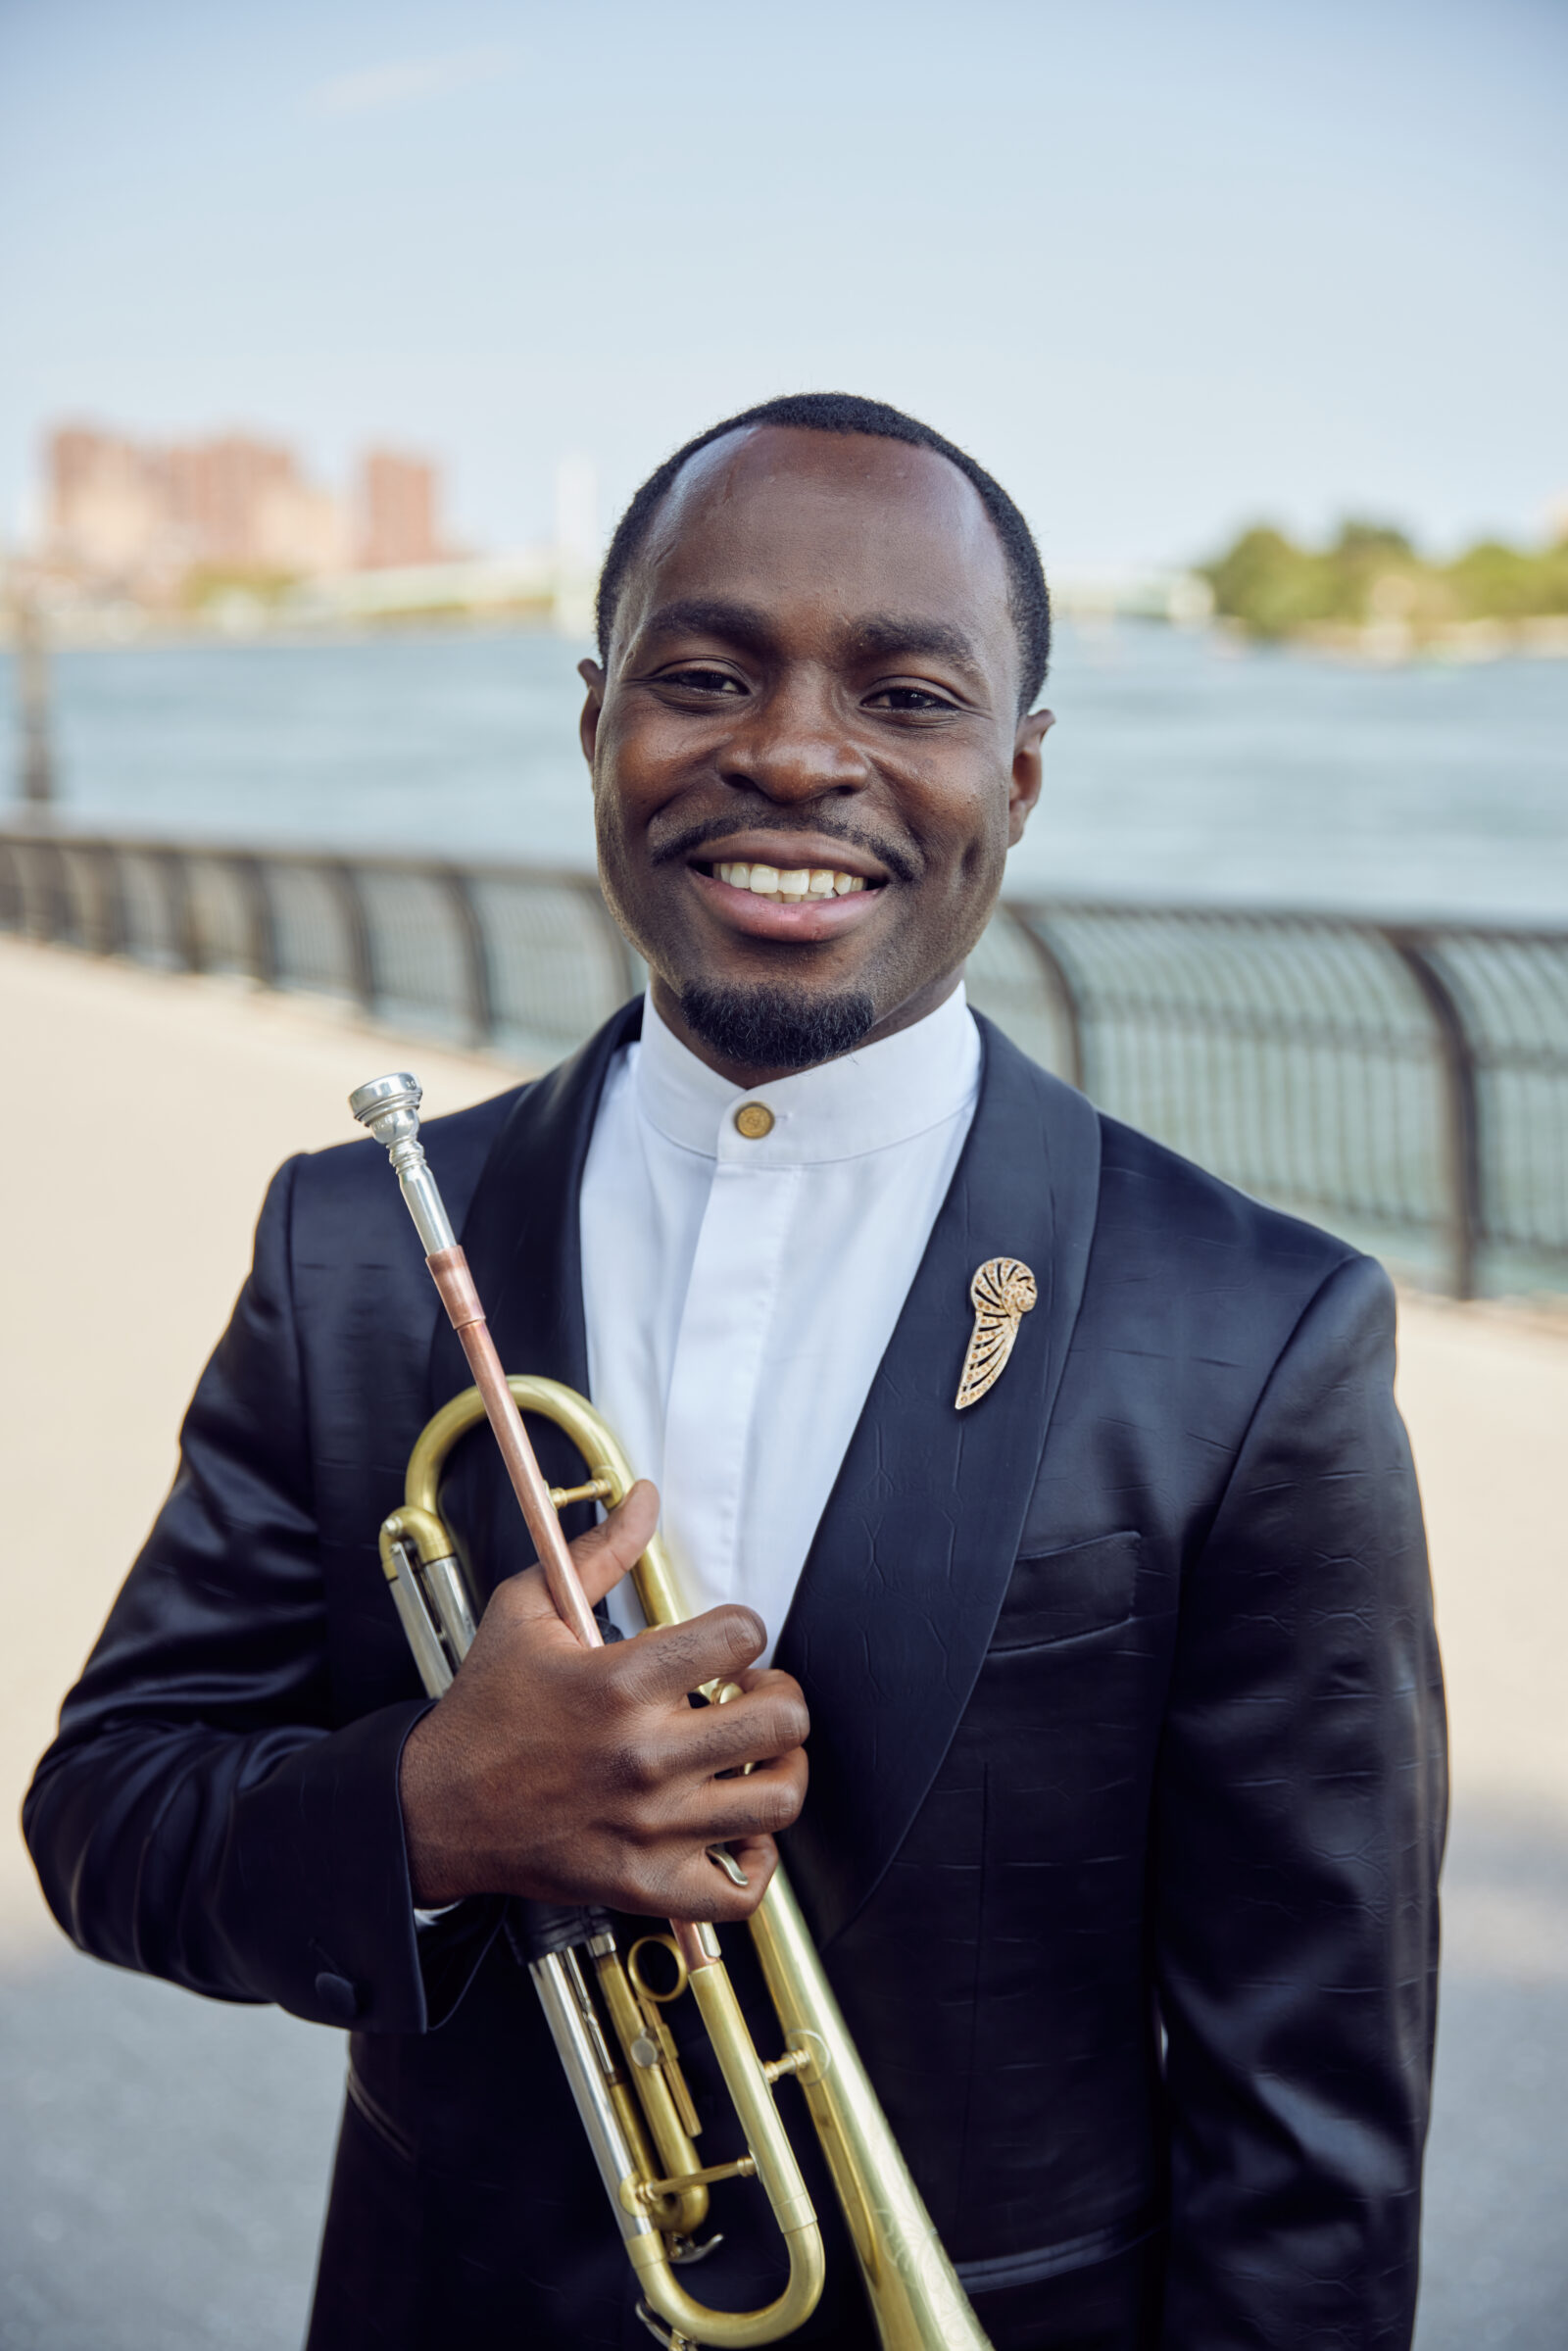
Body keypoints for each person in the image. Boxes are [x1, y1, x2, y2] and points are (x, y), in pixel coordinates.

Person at [24, 393, 1446, 2351]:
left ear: (1018, 776)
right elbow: (113, 1818)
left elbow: (1308, 2117)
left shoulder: (1254, 1329)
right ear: (593, 718)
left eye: (908, 698)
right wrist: (432, 1809)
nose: (791, 753)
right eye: (704, 675)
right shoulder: (353, 1244)